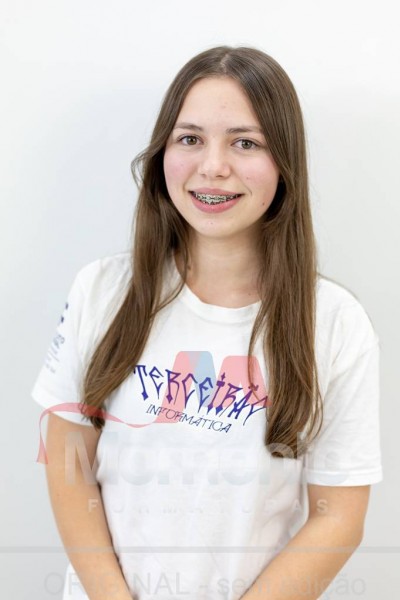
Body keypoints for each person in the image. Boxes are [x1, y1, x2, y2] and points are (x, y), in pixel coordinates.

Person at [32, 46, 382, 600]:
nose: (213, 166)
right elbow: (68, 467)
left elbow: (337, 517)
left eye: (245, 143)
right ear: (162, 154)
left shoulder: (336, 324)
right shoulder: (102, 291)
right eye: (190, 138)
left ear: (284, 162)